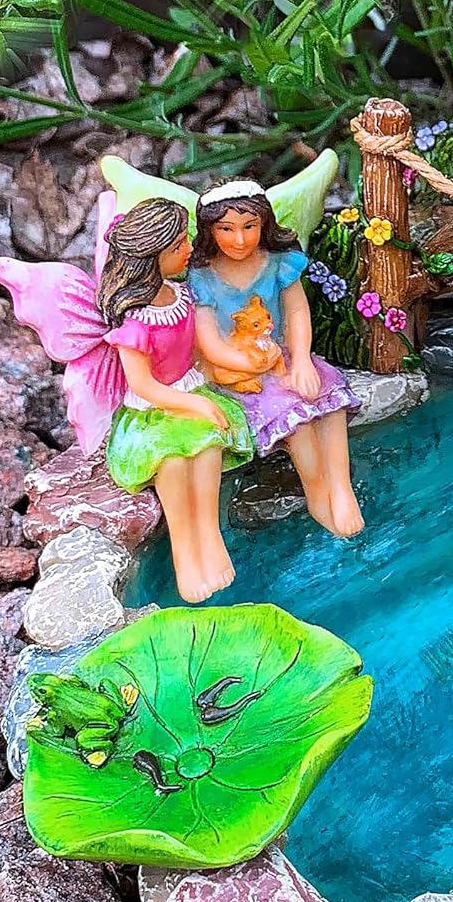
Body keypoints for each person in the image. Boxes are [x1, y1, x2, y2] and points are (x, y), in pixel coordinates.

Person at [98, 199, 254, 602]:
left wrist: (235, 366)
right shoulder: (134, 321)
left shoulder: (183, 297)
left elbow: (200, 350)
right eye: (177, 246)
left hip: (190, 390)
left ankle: (210, 535)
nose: (188, 249)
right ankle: (185, 553)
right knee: (171, 461)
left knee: (207, 446)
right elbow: (144, 385)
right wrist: (196, 404)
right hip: (152, 412)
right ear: (152, 258)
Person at [188, 181, 363, 537]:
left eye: (249, 227)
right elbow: (208, 341)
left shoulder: (278, 263)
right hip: (236, 372)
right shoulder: (203, 277)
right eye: (226, 229)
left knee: (328, 401)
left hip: (280, 356)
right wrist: (251, 365)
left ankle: (341, 487)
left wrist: (302, 361)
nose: (240, 239)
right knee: (296, 420)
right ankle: (317, 494)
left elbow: (297, 312)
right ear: (209, 231)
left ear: (264, 224)